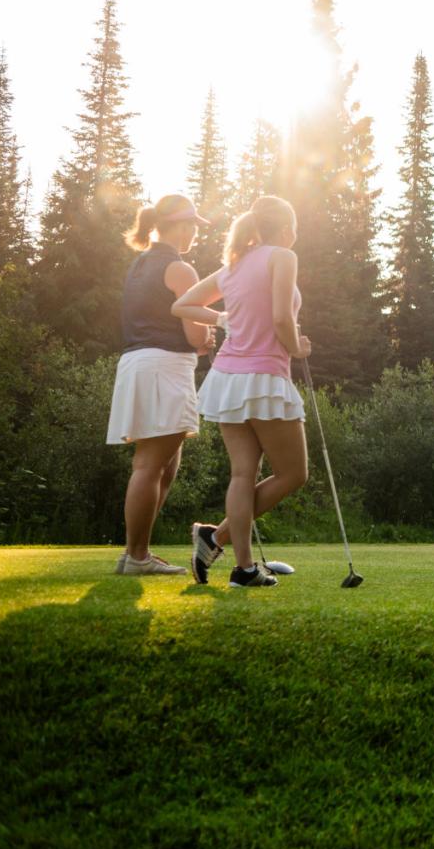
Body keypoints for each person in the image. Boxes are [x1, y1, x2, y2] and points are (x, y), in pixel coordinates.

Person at [171, 195, 311, 588]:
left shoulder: (233, 264)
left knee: (242, 475)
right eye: (294, 229)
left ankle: (243, 568)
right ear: (285, 230)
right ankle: (216, 539)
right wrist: (297, 346)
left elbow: (182, 305)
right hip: (264, 376)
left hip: (227, 378)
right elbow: (283, 316)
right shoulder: (282, 256)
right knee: (293, 473)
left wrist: (222, 318)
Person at [107, 194, 216, 575]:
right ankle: (135, 557)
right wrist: (206, 338)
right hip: (164, 367)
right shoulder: (180, 269)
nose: (195, 234)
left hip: (138, 364)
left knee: (165, 466)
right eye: (192, 226)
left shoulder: (140, 264)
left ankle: (137, 553)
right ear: (179, 225)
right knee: (150, 464)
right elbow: (193, 336)